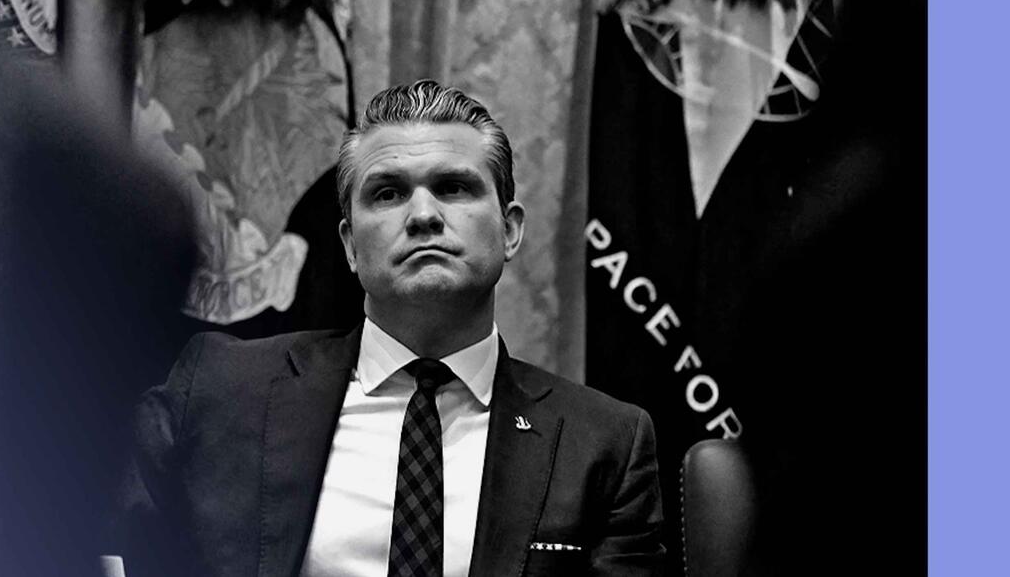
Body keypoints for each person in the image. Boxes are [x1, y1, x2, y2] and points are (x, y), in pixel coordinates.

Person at [121, 80, 665, 576]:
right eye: (388, 193)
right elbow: (101, 545)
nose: (424, 215)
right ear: (350, 246)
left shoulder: (604, 444)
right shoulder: (220, 390)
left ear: (510, 230)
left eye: (454, 187)